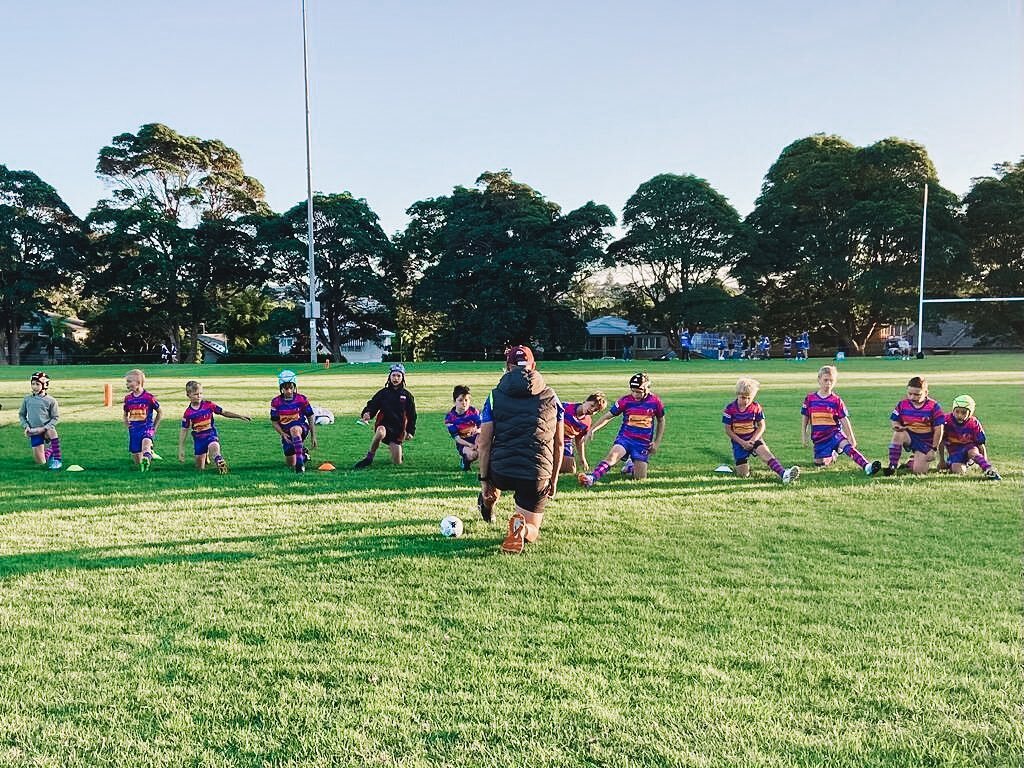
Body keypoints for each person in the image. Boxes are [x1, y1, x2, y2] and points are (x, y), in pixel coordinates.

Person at [476, 345, 564, 555]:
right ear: (534, 365)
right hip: (535, 474)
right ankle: (523, 529)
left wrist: (484, 479)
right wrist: (553, 479)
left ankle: (488, 503)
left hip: (501, 471)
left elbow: (485, 443)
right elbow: (559, 443)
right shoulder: (552, 397)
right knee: (534, 529)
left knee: (492, 483)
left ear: (507, 367)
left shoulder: (494, 396)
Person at [579, 371, 666, 486]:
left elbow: (661, 420)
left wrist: (656, 442)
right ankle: (592, 478)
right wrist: (592, 429)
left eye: (638, 392)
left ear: (647, 389)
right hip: (625, 438)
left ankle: (630, 465)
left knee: (640, 479)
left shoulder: (655, 402)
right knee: (612, 457)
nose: (635, 395)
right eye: (633, 391)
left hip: (642, 443)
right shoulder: (625, 400)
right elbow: (608, 416)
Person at [801, 365, 881, 475]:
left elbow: (844, 419)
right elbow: (805, 417)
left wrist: (851, 437)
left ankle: (867, 466)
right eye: (825, 380)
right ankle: (833, 455)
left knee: (848, 447)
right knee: (820, 463)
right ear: (819, 379)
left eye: (831, 380)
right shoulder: (810, 399)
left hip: (835, 434)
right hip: (819, 438)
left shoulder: (836, 400)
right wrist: (804, 435)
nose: (828, 383)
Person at [723, 378, 799, 483]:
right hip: (739, 442)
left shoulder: (756, 407)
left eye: (749, 398)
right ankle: (737, 467)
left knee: (766, 454)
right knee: (743, 475)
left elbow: (761, 426)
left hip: (754, 438)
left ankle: (784, 474)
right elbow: (728, 430)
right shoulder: (730, 409)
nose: (746, 401)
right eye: (743, 397)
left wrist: (753, 440)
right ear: (737, 395)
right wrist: (742, 443)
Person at [177, 380, 252, 473]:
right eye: (196, 394)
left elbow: (224, 412)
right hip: (199, 439)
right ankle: (205, 455)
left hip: (210, 434)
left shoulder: (208, 405)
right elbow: (184, 430)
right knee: (199, 469)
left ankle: (219, 459)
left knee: (214, 446)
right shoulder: (188, 413)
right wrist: (181, 449)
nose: (199, 396)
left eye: (201, 393)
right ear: (188, 395)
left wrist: (240, 416)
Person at [354, 363, 417, 469]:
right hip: (384, 425)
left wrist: (410, 431)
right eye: (393, 375)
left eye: (398, 376)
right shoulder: (383, 393)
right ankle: (369, 457)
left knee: (397, 463)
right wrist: (368, 413)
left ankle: (398, 454)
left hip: (398, 430)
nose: (395, 378)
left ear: (402, 378)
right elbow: (373, 404)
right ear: (389, 377)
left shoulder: (407, 396)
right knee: (380, 432)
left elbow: (412, 415)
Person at [884, 376, 944, 476]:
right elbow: (894, 420)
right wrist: (897, 426)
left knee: (919, 472)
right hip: (910, 436)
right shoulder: (902, 404)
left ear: (926, 393)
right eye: (910, 394)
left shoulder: (934, 406)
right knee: (898, 434)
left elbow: (939, 430)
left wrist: (933, 449)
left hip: (926, 441)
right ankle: (892, 466)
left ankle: (911, 462)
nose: (912, 397)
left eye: (917, 394)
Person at [938, 394, 1001, 480]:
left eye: (964, 413)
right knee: (959, 471)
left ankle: (989, 470)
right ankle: (951, 463)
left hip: (969, 447)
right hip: (955, 451)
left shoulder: (973, 423)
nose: (959, 415)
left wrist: (985, 463)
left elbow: (980, 445)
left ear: (970, 413)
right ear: (953, 410)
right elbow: (940, 441)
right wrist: (941, 460)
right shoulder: (946, 421)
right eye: (957, 411)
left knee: (973, 452)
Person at [270, 369, 317, 473]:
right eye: (285, 389)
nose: (289, 391)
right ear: (281, 388)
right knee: (291, 463)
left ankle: (300, 466)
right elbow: (274, 421)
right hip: (286, 433)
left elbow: (310, 416)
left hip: (300, 427)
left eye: (291, 388)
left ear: (294, 387)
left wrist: (313, 436)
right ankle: (303, 454)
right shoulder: (275, 402)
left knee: (294, 429)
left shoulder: (302, 399)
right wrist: (282, 433)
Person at [19, 371, 62, 470]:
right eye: (32, 384)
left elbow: (55, 418)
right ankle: (50, 451)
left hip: (46, 430)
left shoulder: (51, 400)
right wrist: (27, 427)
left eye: (37, 384)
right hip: (33, 431)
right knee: (41, 462)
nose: (34, 387)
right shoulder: (27, 399)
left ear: (45, 385)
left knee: (52, 431)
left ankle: (57, 459)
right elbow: (21, 415)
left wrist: (43, 428)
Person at [560, 392, 608, 475]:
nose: (592, 410)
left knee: (570, 470)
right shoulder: (565, 407)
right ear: (585, 401)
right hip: (551, 438)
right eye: (592, 405)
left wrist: (583, 459)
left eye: (596, 410)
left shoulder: (587, 422)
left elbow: (579, 440)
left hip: (566, 442)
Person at [123, 368, 161, 471]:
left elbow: (160, 412)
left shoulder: (149, 397)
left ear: (138, 382)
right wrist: (127, 424)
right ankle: (145, 458)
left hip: (146, 428)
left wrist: (154, 427)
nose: (127, 384)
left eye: (129, 381)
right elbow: (125, 413)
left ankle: (147, 455)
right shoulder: (128, 399)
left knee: (145, 444)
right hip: (134, 430)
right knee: (136, 459)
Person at [444, 384, 481, 471]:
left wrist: (477, 441)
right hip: (463, 443)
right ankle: (465, 462)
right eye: (460, 400)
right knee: (473, 454)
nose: (464, 403)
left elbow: (482, 427)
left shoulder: (474, 412)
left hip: (477, 439)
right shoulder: (450, 418)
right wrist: (470, 445)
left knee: (486, 451)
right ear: (454, 401)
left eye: (466, 400)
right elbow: (457, 438)